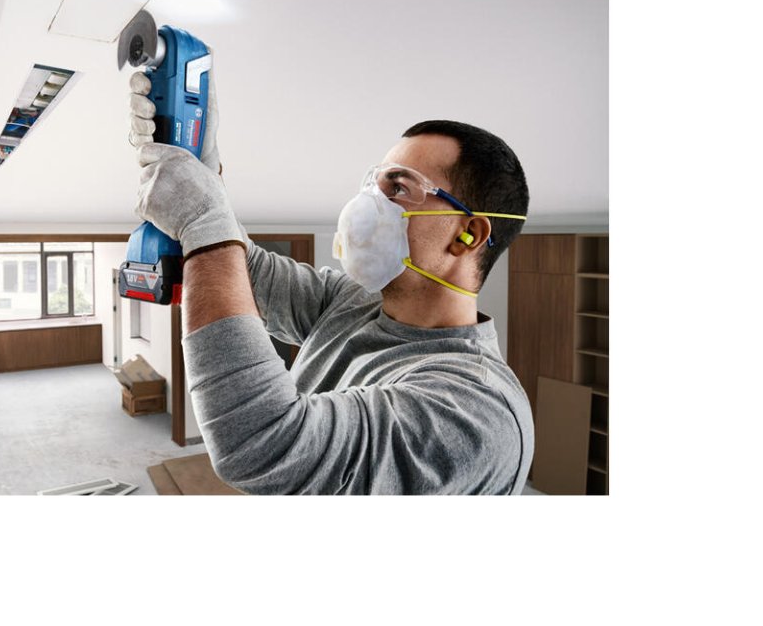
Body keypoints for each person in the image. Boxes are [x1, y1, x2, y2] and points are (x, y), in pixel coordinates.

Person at [128, 65, 534, 495]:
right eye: (373, 186)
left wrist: (205, 221)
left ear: (469, 234)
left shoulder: (476, 412)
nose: (368, 204)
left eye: (399, 189)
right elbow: (247, 272)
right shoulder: (351, 302)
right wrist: (204, 175)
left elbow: (261, 444)